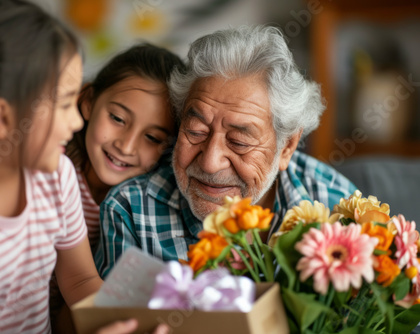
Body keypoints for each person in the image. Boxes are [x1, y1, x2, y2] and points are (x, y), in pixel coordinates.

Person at [0, 1, 167, 333]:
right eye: (65, 103)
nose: (77, 118)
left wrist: (129, 324)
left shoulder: (57, 175)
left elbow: (79, 279)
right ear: (2, 118)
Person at [94, 25, 358, 278]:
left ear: (286, 146)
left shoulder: (340, 210)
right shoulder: (131, 212)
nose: (210, 163)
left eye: (239, 142)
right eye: (196, 131)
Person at [67, 44, 183, 251]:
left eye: (152, 137)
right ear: (88, 102)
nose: (127, 147)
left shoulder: (150, 210)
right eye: (118, 119)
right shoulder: (49, 171)